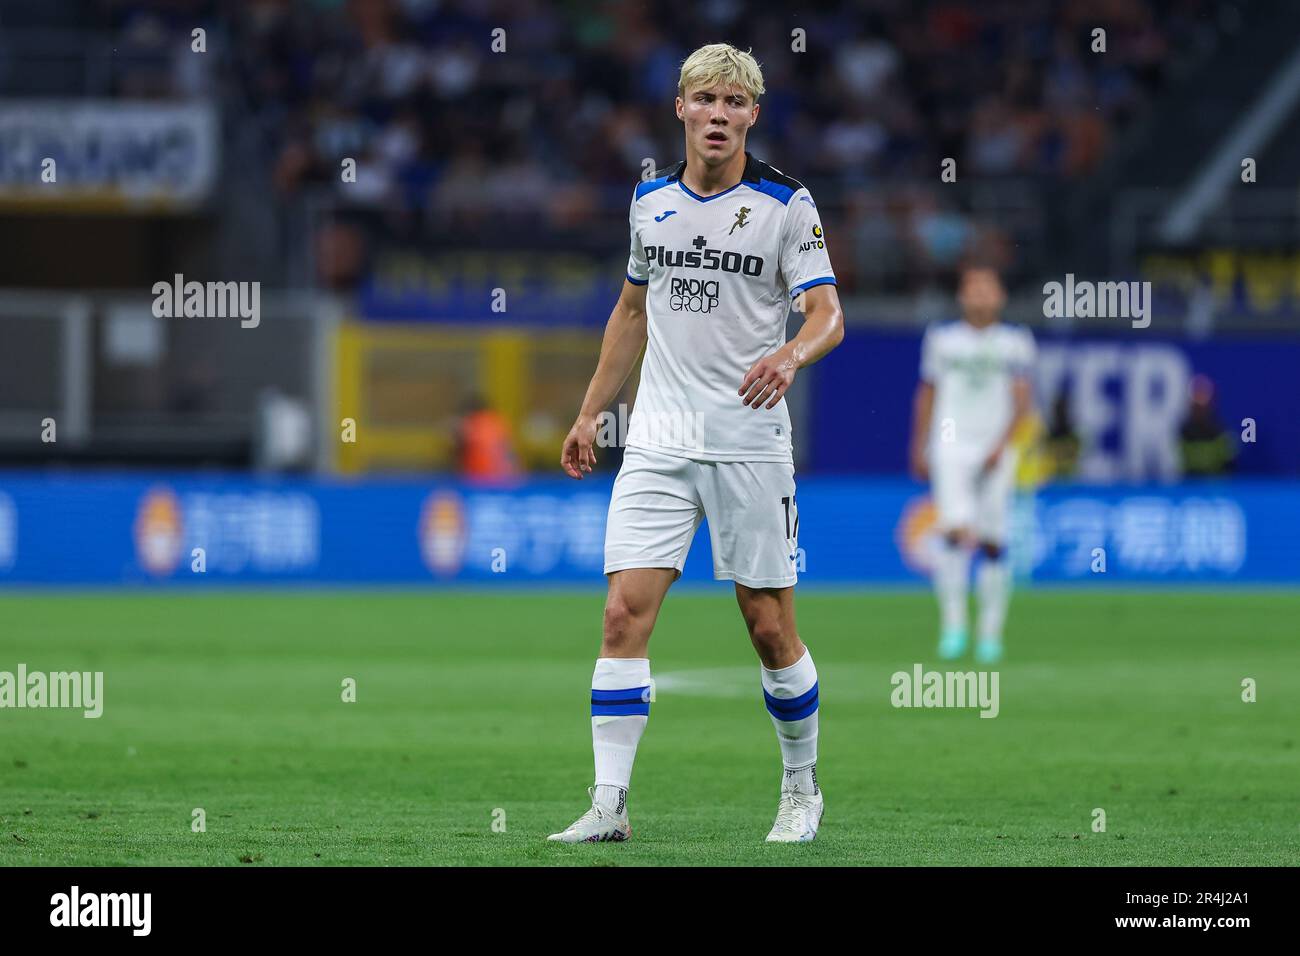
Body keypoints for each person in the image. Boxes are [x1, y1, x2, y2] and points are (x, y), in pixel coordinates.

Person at [549, 43, 844, 844]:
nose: (719, 115)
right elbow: (631, 314)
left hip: (748, 439)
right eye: (705, 100)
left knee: (768, 626)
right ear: (680, 108)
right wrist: (589, 413)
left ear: (754, 115)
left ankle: (800, 787)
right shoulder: (649, 200)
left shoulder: (788, 204)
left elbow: (827, 315)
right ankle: (609, 806)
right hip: (658, 437)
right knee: (622, 616)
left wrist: (789, 354)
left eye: (735, 103)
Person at [909, 265, 1035, 664]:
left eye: (987, 287)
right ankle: (953, 626)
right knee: (953, 531)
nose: (980, 295)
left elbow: (1022, 399)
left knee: (994, 539)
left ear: (1000, 296)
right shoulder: (943, 340)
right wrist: (920, 443)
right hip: (951, 443)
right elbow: (927, 392)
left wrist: (1004, 443)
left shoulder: (1014, 342)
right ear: (961, 296)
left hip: (996, 447)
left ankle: (990, 633)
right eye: (973, 288)